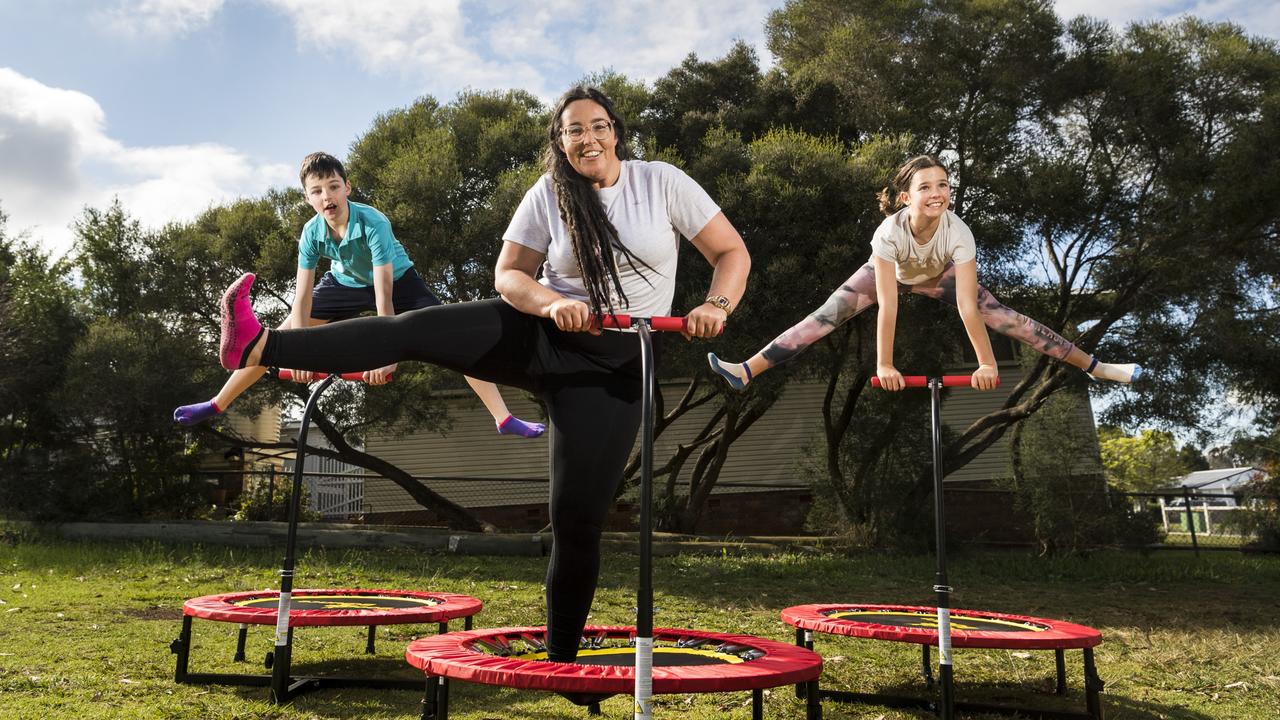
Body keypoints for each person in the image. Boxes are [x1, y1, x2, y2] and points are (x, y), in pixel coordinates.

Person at [212, 87, 750, 670]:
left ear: (615, 131)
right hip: (539, 334)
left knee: (575, 519)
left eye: (597, 126)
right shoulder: (549, 193)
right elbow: (509, 275)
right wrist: (548, 303)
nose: (587, 138)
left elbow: (730, 252)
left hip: (615, 364)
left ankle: (562, 664)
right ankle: (262, 342)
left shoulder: (661, 183)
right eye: (573, 131)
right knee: (414, 328)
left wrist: (716, 305)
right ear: (560, 142)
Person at [174, 152, 544, 438]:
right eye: (317, 191)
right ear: (308, 198)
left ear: (347, 188)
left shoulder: (373, 222)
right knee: (277, 335)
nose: (327, 196)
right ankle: (217, 403)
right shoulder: (311, 232)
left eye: (333, 186)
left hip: (398, 282)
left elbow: (384, 292)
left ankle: (503, 417)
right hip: (344, 284)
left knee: (453, 339)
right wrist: (299, 349)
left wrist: (388, 354)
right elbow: (302, 296)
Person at [707, 154, 1140, 392]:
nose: (937, 193)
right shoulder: (888, 234)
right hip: (890, 274)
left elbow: (969, 308)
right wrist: (886, 365)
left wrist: (986, 362)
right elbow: (887, 306)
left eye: (944, 185)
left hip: (940, 274)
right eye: (926, 186)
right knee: (824, 316)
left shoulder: (959, 233)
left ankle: (1096, 367)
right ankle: (745, 370)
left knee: (1010, 319)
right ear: (904, 196)